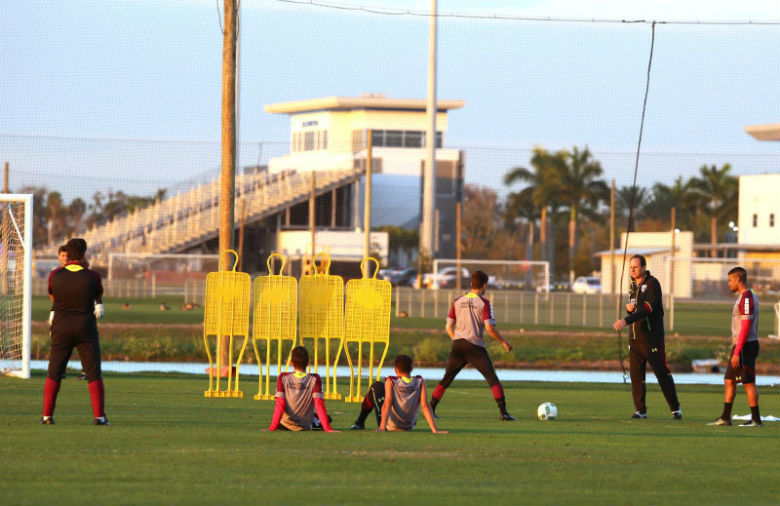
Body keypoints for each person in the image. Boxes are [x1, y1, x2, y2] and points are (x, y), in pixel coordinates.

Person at [429, 270, 516, 421]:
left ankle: (431, 409)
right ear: (485, 285)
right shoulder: (484, 303)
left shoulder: (457, 301)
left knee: (446, 379)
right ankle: (504, 413)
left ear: (471, 284)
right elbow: (489, 327)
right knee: (492, 379)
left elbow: (448, 327)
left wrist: (458, 341)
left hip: (457, 345)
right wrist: (504, 342)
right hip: (475, 347)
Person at [41, 238, 108, 425]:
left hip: (61, 326)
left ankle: (47, 416)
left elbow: (53, 296)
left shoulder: (55, 274)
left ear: (67, 254)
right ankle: (99, 417)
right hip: (85, 326)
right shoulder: (93, 276)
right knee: (93, 372)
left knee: (54, 372)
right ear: (84, 253)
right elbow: (97, 295)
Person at [613, 254, 681, 420]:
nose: (632, 270)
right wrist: (629, 310)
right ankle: (640, 410)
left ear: (643, 267)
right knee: (636, 376)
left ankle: (675, 409)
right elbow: (635, 309)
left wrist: (625, 320)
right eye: (630, 267)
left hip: (651, 338)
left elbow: (647, 309)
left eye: (635, 267)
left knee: (661, 373)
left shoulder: (652, 284)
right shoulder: (632, 286)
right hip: (635, 339)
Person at [708, 267, 762, 427]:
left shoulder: (746, 298)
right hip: (741, 345)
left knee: (748, 382)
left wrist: (737, 352)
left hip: (745, 345)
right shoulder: (746, 297)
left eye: (730, 280)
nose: (729, 283)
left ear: (738, 280)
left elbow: (745, 327)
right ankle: (725, 418)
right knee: (729, 380)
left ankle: (756, 419)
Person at [350, 355, 447, 433]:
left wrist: (382, 428)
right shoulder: (420, 381)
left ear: (396, 369)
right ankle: (360, 422)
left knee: (376, 386)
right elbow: (425, 406)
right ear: (411, 368)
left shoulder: (391, 380)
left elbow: (387, 404)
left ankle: (360, 422)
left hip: (391, 426)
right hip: (409, 426)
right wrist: (435, 430)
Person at [267, 346, 339, 432]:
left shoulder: (283, 377)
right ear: (308, 363)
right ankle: (316, 421)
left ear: (291, 363)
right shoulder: (315, 379)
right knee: (323, 417)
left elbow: (280, 404)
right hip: (304, 426)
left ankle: (315, 420)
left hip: (285, 424)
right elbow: (319, 404)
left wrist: (272, 428)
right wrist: (328, 429)